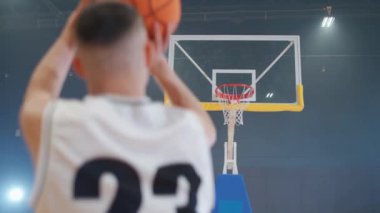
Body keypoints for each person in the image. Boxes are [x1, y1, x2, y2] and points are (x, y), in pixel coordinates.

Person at [19, 1, 216, 212]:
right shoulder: (189, 131)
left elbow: (39, 94)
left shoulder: (58, 125)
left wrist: (68, 37)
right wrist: (161, 67)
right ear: (148, 54)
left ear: (78, 66)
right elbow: (206, 127)